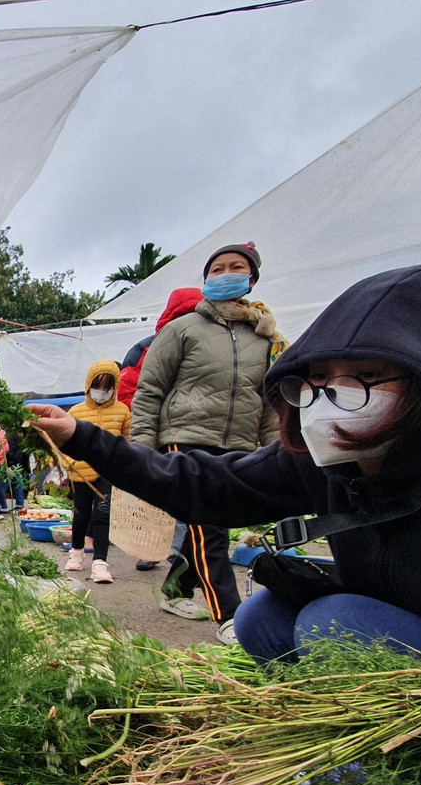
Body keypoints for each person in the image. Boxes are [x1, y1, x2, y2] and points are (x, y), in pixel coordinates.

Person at [28, 260, 421, 668]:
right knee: (261, 616)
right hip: (401, 629)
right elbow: (209, 486)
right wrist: (83, 438)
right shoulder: (330, 462)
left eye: (365, 375)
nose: (330, 395)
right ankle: (352, 750)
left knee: (334, 621)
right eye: (318, 377)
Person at [129, 243, 286, 643]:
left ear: (251, 278)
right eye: (218, 268)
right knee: (208, 526)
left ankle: (176, 588)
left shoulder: (264, 336)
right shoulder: (181, 329)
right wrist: (142, 451)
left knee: (210, 524)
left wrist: (278, 450)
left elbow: (267, 401)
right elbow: (149, 391)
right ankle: (229, 616)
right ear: (206, 279)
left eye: (237, 267)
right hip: (185, 438)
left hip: (237, 443)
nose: (226, 273)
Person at [120, 287, 203, 571]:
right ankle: (159, 549)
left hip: (187, 431)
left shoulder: (217, 342)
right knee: (170, 492)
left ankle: (173, 552)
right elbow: (133, 391)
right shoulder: (149, 346)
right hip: (169, 430)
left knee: (175, 492)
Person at [61, 360, 129, 582]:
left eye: (107, 387)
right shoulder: (76, 411)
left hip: (107, 472)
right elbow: (62, 441)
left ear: (114, 387)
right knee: (81, 515)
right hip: (79, 472)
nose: (101, 392)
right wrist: (67, 461)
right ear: (89, 384)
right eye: (97, 386)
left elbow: (128, 442)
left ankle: (100, 563)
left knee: (102, 515)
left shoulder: (123, 411)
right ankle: (76, 553)